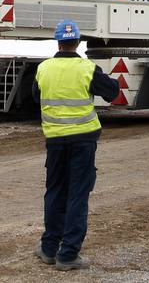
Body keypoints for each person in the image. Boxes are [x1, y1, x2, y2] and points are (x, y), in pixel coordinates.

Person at [32, 21, 120, 271]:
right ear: (78, 42)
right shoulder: (87, 68)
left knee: (55, 192)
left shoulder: (43, 69)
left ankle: (49, 249)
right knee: (77, 196)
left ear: (58, 42)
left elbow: (35, 97)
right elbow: (112, 93)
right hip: (83, 140)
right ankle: (68, 254)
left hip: (55, 141)